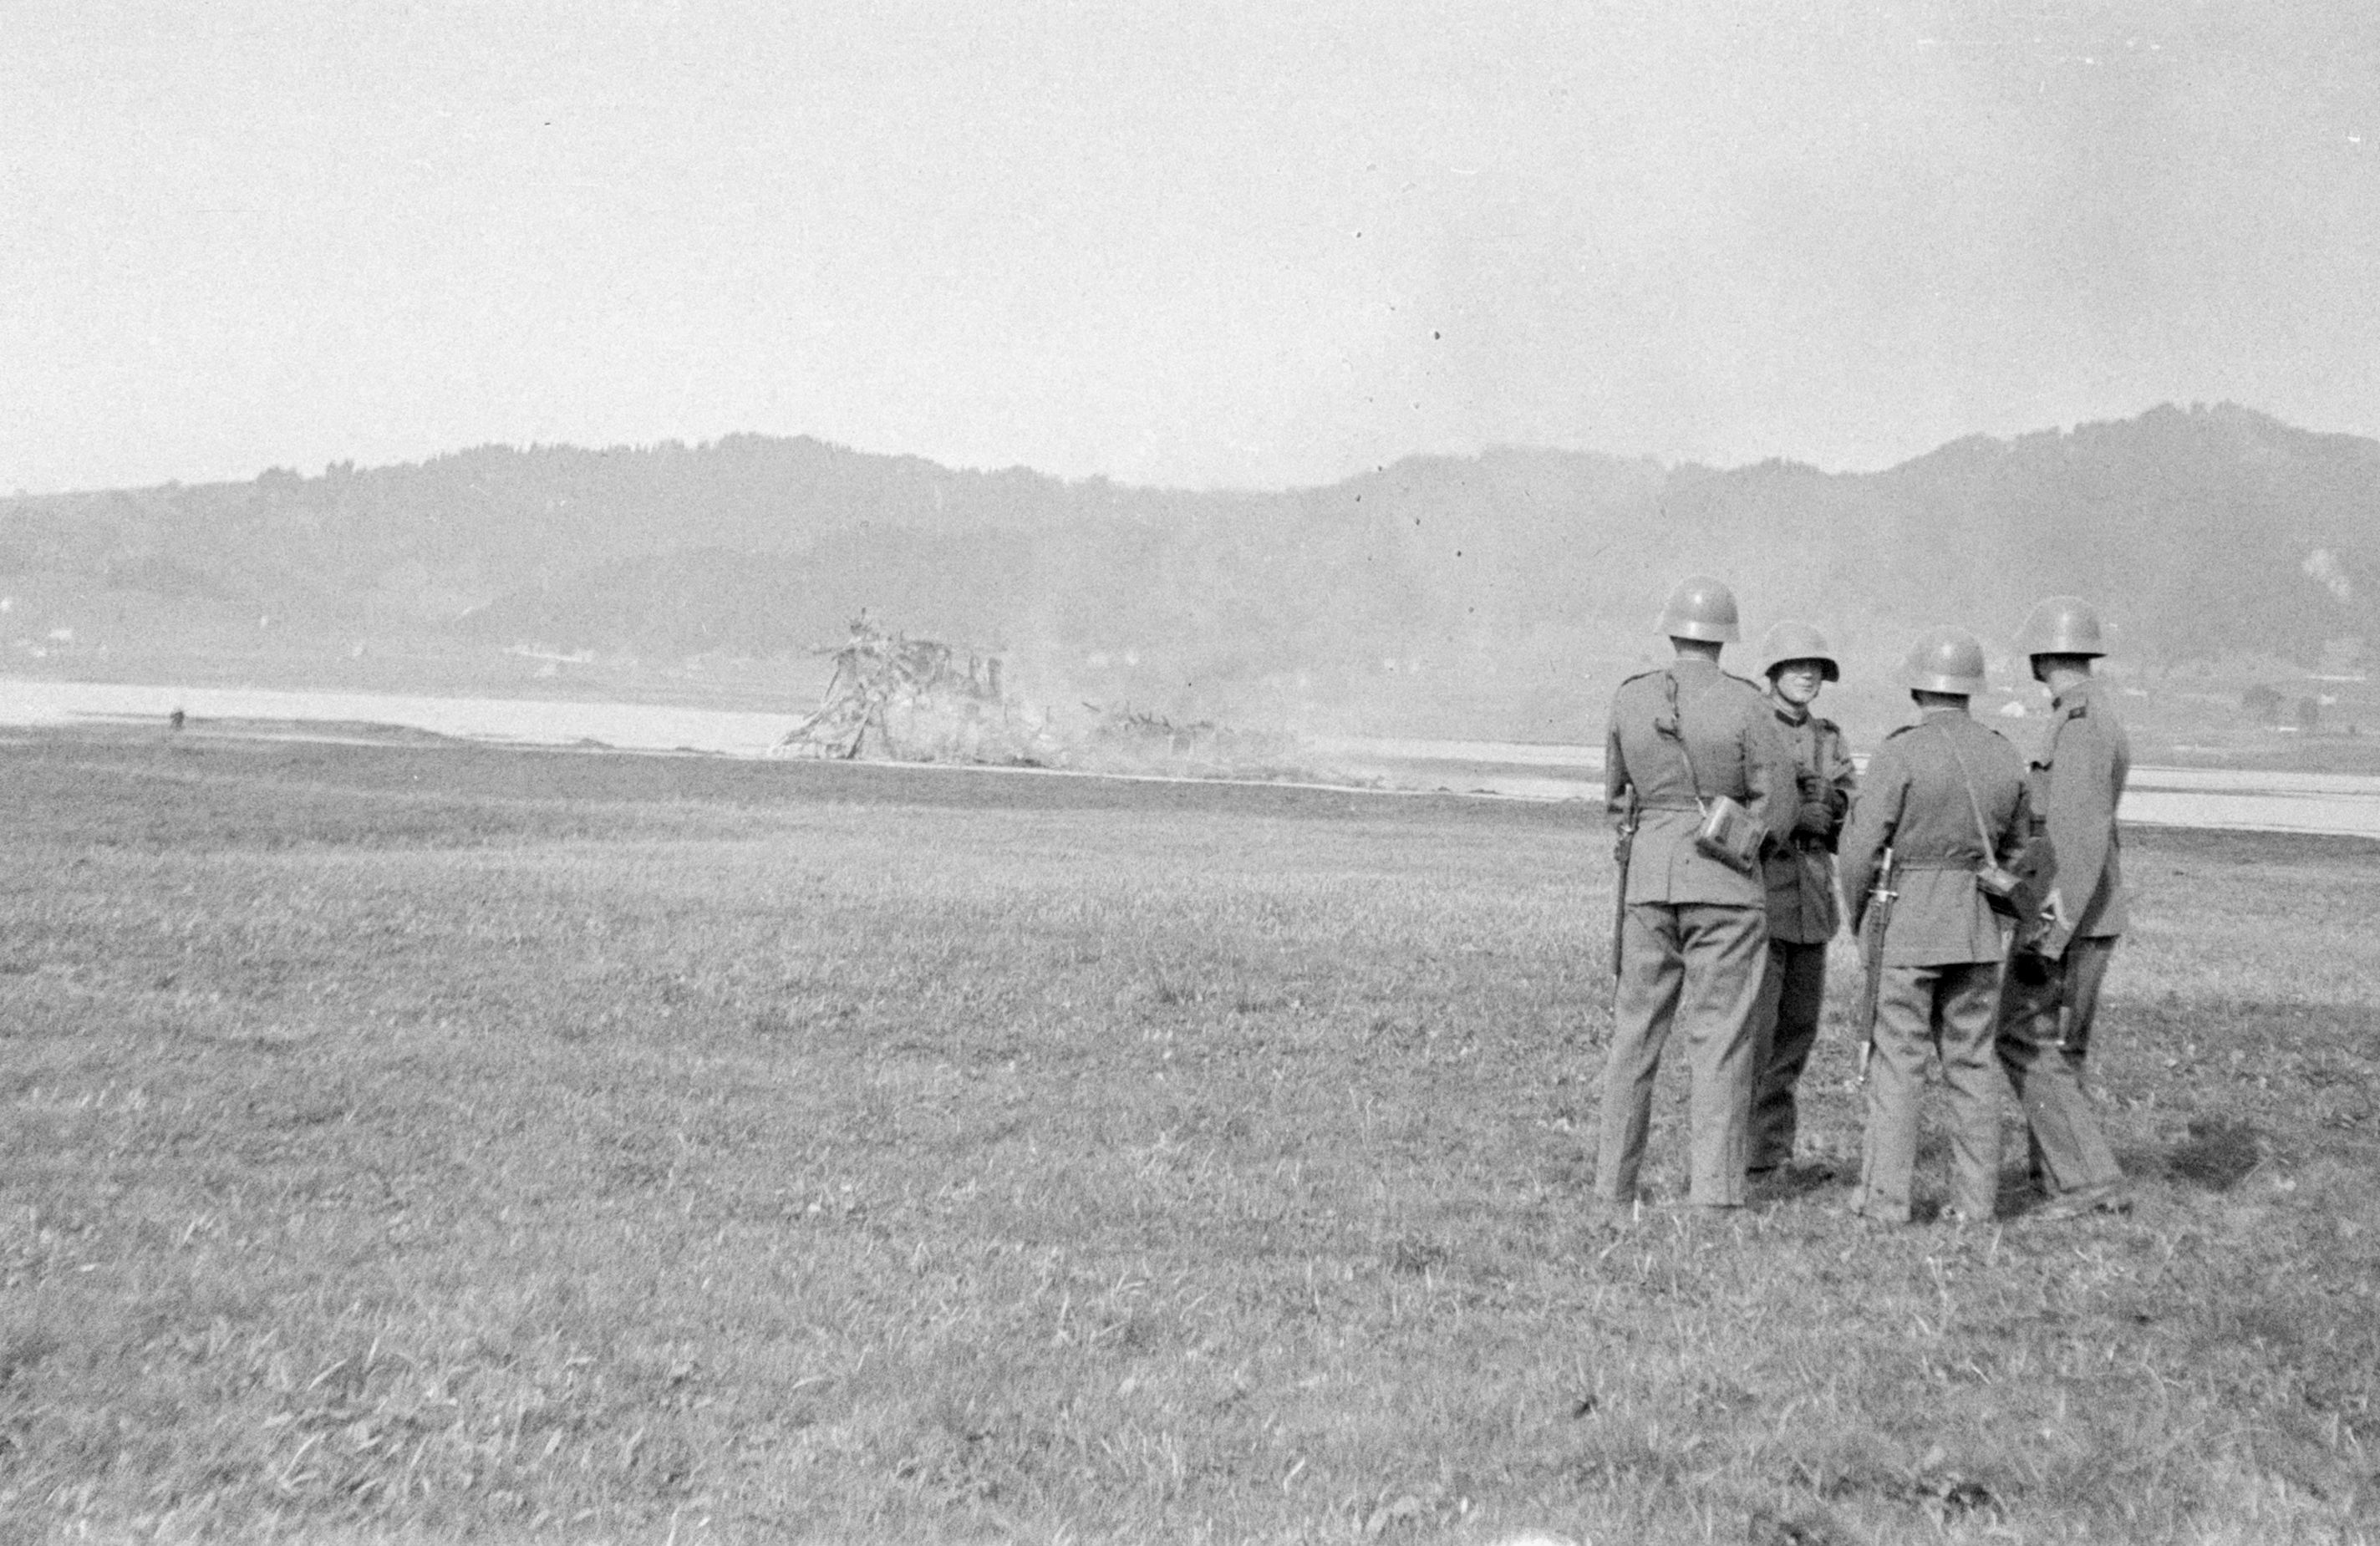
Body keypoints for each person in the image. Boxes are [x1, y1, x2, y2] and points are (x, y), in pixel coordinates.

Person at [1596, 575, 1797, 1212]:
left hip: (1649, 881)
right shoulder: (1747, 704)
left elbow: (1615, 796)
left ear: (1672, 630)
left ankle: (1612, 1189)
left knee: (1634, 1037)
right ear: (1725, 638)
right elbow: (1780, 808)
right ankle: (1713, 1195)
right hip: (1727, 884)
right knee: (1722, 1040)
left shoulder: (1630, 698)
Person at [1837, 628, 2033, 1225]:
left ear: (1918, 688)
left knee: (1898, 1065)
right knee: (1972, 1066)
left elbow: (1859, 850)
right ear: (1971, 689)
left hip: (1906, 922)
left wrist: (1860, 919)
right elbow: (2019, 848)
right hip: (1976, 927)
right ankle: (1976, 1204)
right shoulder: (2003, 753)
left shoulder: (1900, 752)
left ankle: (1885, 1201)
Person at [1995, 596, 2131, 1217]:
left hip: (2071, 917)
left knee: (2022, 1036)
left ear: (2041, 656)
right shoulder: (2093, 714)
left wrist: (2047, 936)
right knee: (2058, 1049)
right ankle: (2056, 1176)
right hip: (2089, 913)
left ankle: (2087, 1180)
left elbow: (2076, 844)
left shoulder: (2078, 723)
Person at [1745, 623, 1857, 1183]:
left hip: (1811, 902)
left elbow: (1853, 812)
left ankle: (1768, 1157)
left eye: (1816, 668)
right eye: (1796, 665)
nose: (1808, 675)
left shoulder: (1828, 739)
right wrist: (1790, 818)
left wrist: (1832, 807)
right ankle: (1733, 1157)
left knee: (1795, 1035)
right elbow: (1727, 809)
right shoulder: (1749, 725)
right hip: (1758, 898)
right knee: (1754, 1034)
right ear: (1773, 672)